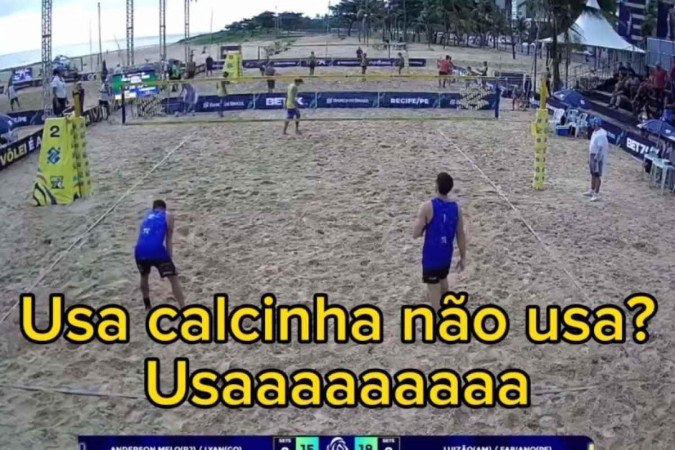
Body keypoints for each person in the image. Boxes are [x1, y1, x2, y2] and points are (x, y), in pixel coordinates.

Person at [413, 172, 467, 310]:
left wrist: (425, 225)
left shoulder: (427, 206)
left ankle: (440, 322)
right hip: (446, 257)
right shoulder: (456, 208)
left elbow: (415, 234)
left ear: (436, 185)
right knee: (443, 281)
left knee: (434, 293)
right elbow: (461, 235)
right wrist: (463, 257)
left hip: (431, 258)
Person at [134, 200, 186, 310]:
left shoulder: (146, 216)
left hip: (139, 250)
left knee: (144, 276)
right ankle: (183, 308)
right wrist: (169, 259)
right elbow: (168, 239)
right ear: (164, 208)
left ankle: (147, 305)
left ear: (153, 208)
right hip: (156, 250)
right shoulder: (168, 215)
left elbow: (142, 236)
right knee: (173, 279)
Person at [584, 118, 609, 202]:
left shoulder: (601, 135)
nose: (592, 125)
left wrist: (596, 158)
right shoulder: (595, 132)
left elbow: (600, 147)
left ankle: (596, 194)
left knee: (597, 175)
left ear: (596, 124)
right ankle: (592, 190)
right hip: (592, 155)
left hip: (597, 157)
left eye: (593, 124)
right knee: (592, 174)